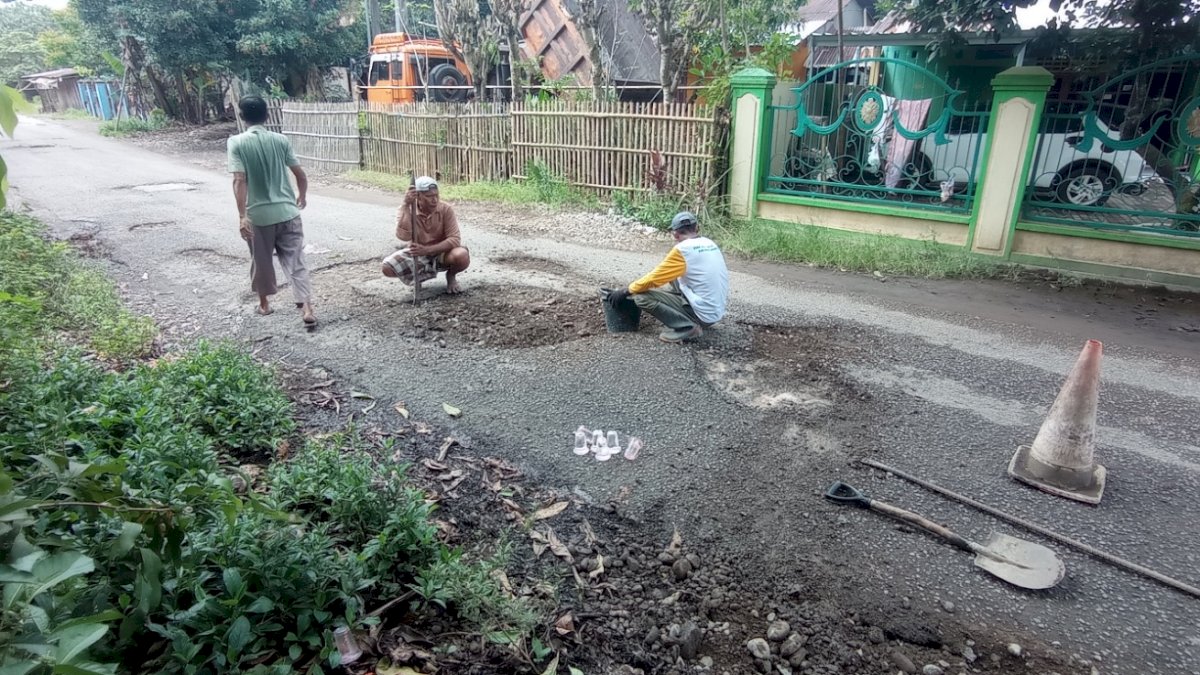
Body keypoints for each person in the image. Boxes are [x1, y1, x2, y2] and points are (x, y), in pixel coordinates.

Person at [227, 95, 316, 326]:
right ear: (267, 115)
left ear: (242, 116)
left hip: (259, 217)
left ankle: (265, 305)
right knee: (296, 260)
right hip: (288, 212)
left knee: (261, 260)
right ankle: (306, 307)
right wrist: (302, 196)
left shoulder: (236, 143)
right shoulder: (280, 140)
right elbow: (300, 175)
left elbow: (239, 180)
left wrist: (242, 216)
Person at [607, 211, 729, 343]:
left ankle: (687, 327)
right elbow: (665, 275)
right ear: (697, 228)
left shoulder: (683, 250)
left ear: (675, 234)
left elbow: (654, 278)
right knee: (673, 275)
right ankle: (684, 310)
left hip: (703, 316)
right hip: (715, 313)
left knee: (641, 297)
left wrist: (626, 290)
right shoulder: (709, 243)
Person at [381, 176, 471, 295]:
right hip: (418, 254)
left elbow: (455, 240)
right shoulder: (407, 209)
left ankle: (451, 276)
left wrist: (427, 250)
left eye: (436, 195)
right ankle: (417, 278)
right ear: (418, 197)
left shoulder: (446, 209)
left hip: (442, 253)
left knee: (462, 255)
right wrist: (406, 205)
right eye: (429, 196)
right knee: (387, 268)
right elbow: (403, 236)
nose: (434, 200)